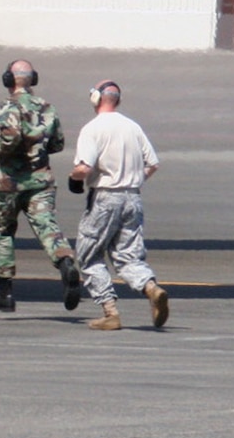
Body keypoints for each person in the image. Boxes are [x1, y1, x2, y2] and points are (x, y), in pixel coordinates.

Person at [69, 80, 168, 333]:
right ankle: (151, 288)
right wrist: (133, 180)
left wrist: (73, 178)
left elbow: (84, 168)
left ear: (96, 99)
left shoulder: (92, 129)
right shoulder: (133, 127)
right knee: (128, 255)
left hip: (105, 197)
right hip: (133, 197)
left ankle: (110, 312)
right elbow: (153, 163)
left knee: (89, 256)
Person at [0, 59, 81, 313]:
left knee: (2, 232)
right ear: (33, 79)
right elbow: (57, 144)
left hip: (9, 183)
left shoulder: (8, 106)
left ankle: (4, 293)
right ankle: (65, 263)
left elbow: (10, 138)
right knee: (47, 226)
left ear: (8, 79)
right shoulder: (46, 107)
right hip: (40, 180)